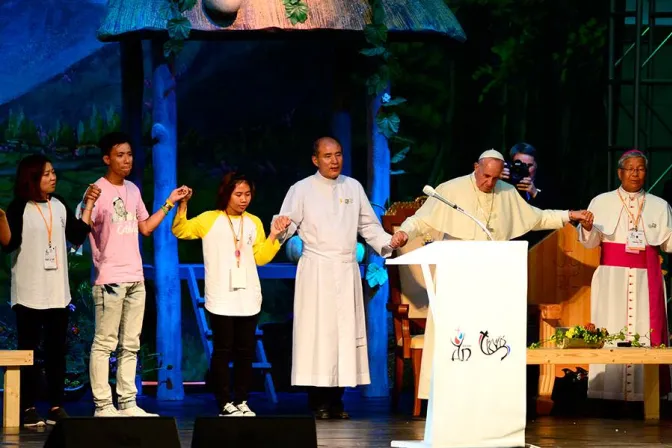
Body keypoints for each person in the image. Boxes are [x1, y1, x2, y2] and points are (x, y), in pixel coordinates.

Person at [390, 149, 593, 400]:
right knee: (453, 332)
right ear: (476, 167)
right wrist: (404, 233)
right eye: (486, 176)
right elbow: (421, 220)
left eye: (495, 178)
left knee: (488, 334)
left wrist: (569, 215)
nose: (490, 183)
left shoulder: (506, 192)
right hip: (457, 274)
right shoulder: (451, 190)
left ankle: (487, 394)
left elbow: (537, 218)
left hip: (493, 277)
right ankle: (444, 393)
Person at [275, 137, 400, 419]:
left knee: (344, 334)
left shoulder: (352, 187)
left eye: (339, 155)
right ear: (315, 159)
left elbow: (369, 226)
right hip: (317, 270)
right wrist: (280, 227)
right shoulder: (302, 189)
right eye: (328, 155)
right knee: (318, 335)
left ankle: (337, 399)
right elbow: (285, 226)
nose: (334, 161)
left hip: (345, 270)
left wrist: (391, 242)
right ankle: (318, 399)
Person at [86, 132, 190, 417]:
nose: (127, 160)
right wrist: (87, 205)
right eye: (120, 155)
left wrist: (169, 203)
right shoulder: (96, 190)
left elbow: (145, 227)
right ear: (107, 158)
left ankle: (128, 402)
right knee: (104, 343)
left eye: (130, 154)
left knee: (130, 343)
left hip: (135, 277)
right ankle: (103, 405)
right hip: (109, 278)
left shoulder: (132, 189)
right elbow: (82, 228)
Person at [172, 173, 291, 417]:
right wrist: (183, 205)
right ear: (226, 194)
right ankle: (224, 401)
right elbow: (181, 230)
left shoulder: (254, 222)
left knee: (246, 352)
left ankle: (242, 400)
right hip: (221, 296)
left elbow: (260, 258)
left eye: (247, 195)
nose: (244, 199)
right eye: (238, 194)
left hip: (248, 296)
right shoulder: (210, 219)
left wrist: (274, 236)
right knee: (223, 350)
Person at [0, 154, 100, 427]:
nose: (53, 177)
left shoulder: (58, 205)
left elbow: (78, 234)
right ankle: (28, 407)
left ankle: (56, 406)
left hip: (57, 292)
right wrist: (1, 223)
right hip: (29, 293)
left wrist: (89, 204)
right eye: (46, 174)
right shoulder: (19, 207)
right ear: (32, 178)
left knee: (57, 351)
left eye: (54, 172)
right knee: (28, 352)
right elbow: (9, 245)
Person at [578, 149, 672, 401]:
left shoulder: (660, 205)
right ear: (620, 172)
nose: (635, 173)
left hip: (646, 278)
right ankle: (608, 393)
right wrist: (587, 228)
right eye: (630, 168)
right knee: (611, 326)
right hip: (611, 278)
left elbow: (668, 243)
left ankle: (646, 394)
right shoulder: (601, 201)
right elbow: (589, 242)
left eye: (640, 168)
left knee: (645, 330)